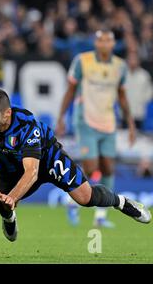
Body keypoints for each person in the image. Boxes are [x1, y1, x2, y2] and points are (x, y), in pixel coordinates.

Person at [0, 89, 151, 242]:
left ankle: (123, 203)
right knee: (3, 204)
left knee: (85, 197)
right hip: (9, 168)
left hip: (47, 160)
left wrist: (14, 197)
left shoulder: (27, 126)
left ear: (7, 114)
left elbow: (32, 172)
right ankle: (9, 220)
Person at [55, 29, 137, 228]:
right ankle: (72, 201)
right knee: (92, 168)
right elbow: (70, 90)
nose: (105, 43)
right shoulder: (82, 61)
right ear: (96, 43)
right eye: (101, 40)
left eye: (109, 40)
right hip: (85, 121)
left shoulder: (120, 66)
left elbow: (123, 97)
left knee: (108, 168)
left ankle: (100, 217)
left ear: (113, 44)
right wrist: (61, 118)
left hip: (108, 121)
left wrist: (131, 124)